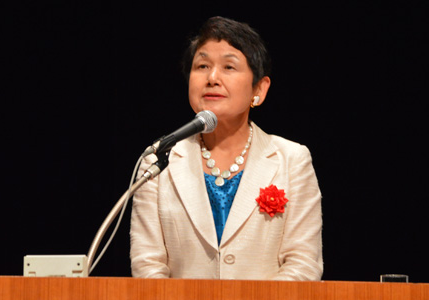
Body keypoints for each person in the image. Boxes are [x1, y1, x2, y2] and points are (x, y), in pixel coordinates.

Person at [130, 16, 323, 280]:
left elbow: (303, 265)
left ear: (259, 89)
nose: (212, 77)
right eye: (202, 65)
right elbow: (148, 267)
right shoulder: (159, 160)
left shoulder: (292, 159)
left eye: (228, 67)